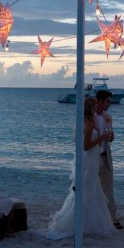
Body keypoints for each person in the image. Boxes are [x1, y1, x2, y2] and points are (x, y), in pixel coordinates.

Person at [45, 98, 117, 239]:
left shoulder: (85, 122)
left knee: (91, 187)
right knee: (89, 188)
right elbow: (85, 146)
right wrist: (101, 137)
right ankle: (85, 221)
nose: (97, 107)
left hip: (90, 159)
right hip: (89, 158)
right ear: (91, 107)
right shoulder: (88, 124)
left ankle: (88, 219)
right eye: (95, 105)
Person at [94, 89, 122, 229]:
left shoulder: (108, 117)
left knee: (108, 187)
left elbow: (111, 135)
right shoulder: (89, 116)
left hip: (105, 155)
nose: (110, 104)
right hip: (93, 156)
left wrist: (111, 137)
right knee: (92, 187)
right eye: (108, 101)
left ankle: (112, 216)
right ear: (99, 101)